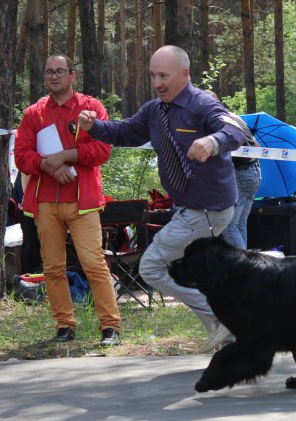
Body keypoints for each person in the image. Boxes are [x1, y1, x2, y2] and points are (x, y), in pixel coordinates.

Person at [77, 45, 245, 351]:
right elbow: (126, 132)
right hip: (188, 208)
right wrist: (94, 126)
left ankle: (223, 320)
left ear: (184, 74)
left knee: (152, 267)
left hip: (209, 210)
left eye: (163, 75)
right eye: (153, 75)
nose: (157, 83)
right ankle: (227, 332)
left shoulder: (202, 103)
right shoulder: (155, 111)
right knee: (199, 269)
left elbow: (235, 130)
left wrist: (212, 141)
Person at [14, 53, 121, 347]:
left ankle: (110, 326)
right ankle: (64, 326)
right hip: (45, 202)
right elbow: (21, 155)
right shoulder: (33, 113)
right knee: (52, 269)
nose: (54, 76)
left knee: (94, 264)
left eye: (60, 71)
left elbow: (102, 151)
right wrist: (51, 165)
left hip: (83, 201)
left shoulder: (92, 108)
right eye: (49, 72)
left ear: (73, 75)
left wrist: (68, 155)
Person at [205, 90, 261, 249]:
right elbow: (257, 147)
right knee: (239, 224)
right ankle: (246, 266)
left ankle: (245, 268)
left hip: (240, 174)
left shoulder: (214, 121)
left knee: (229, 227)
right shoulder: (234, 117)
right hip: (254, 172)